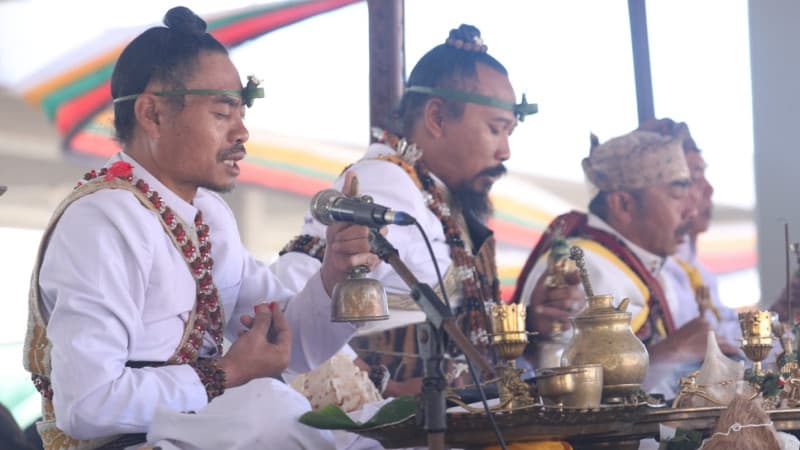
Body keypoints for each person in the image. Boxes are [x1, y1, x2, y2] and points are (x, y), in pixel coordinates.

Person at [22, 7, 377, 450]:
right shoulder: (103, 221)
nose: (243, 132)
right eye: (223, 112)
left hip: (206, 428)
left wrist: (334, 275)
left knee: (349, 423)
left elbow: (291, 345)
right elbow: (88, 405)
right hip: (129, 444)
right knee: (270, 409)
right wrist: (227, 373)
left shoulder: (208, 215)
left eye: (242, 111)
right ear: (153, 115)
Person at [272, 24, 535, 398]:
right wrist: (383, 385)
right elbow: (288, 296)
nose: (505, 151)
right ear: (437, 118)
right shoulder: (382, 182)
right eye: (497, 129)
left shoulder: (435, 193)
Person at [513, 127, 740, 399]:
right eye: (677, 196)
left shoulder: (646, 265)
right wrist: (674, 351)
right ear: (623, 205)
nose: (691, 211)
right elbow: (568, 395)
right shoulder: (580, 266)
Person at [642, 118, 740, 343]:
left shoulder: (697, 270)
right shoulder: (655, 268)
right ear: (624, 203)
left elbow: (722, 332)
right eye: (691, 180)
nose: (708, 189)